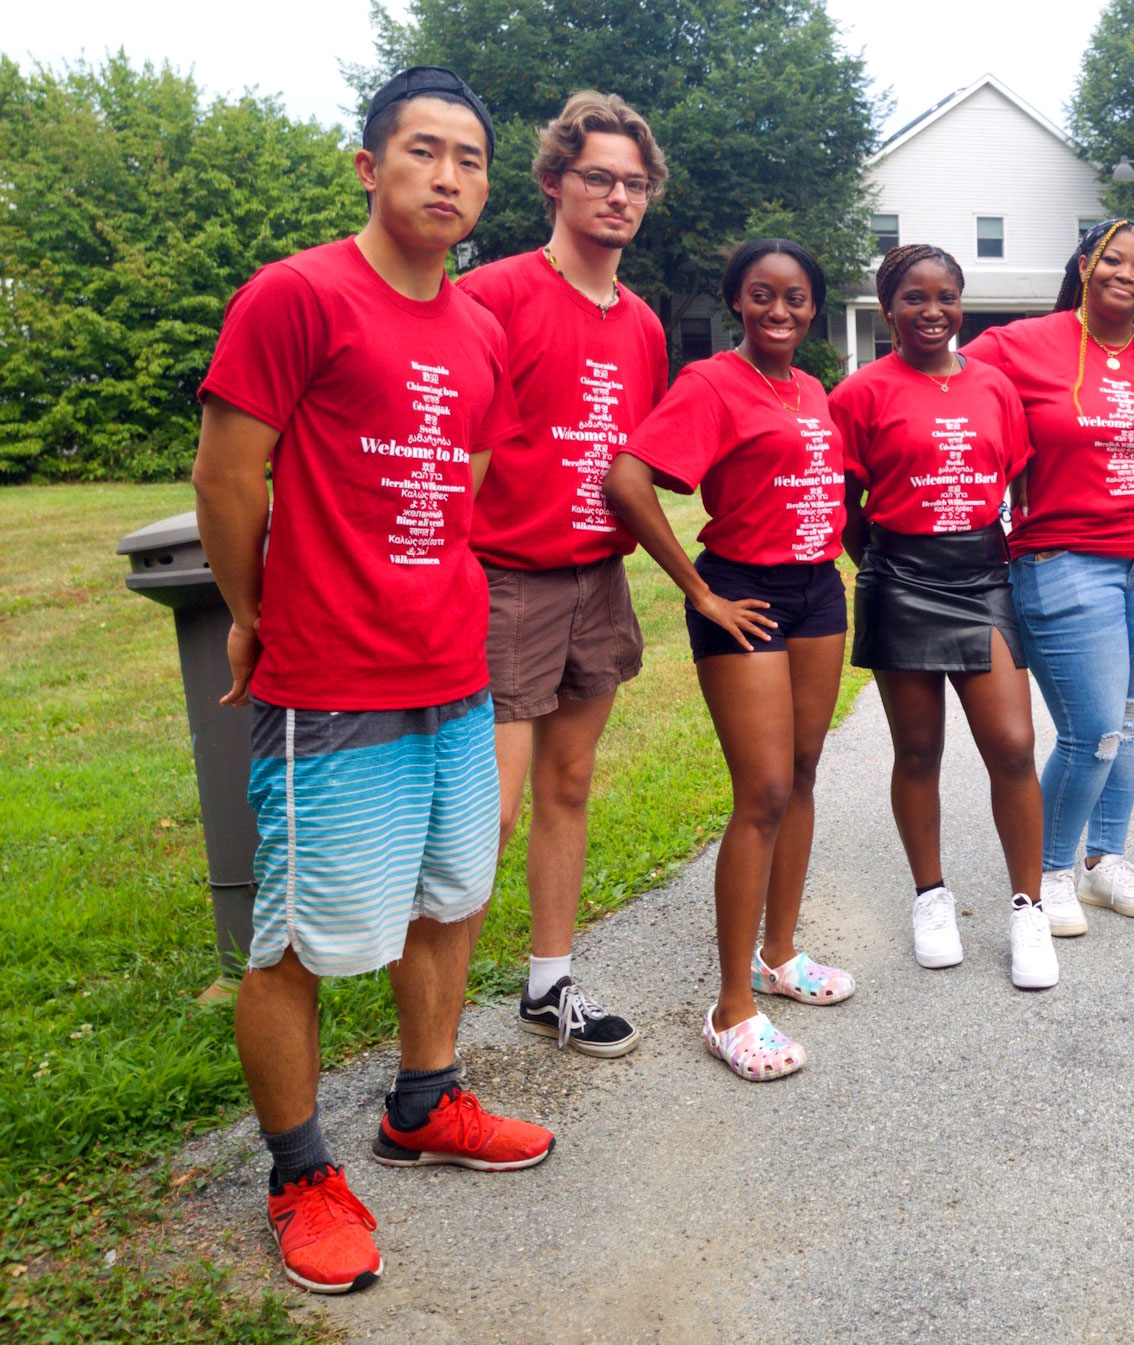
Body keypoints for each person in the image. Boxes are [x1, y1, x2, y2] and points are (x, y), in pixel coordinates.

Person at [192, 67, 554, 1297]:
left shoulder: (480, 329)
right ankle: (299, 1175)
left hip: (455, 670)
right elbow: (229, 480)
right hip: (333, 680)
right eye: (421, 151)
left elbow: (461, 486)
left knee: (449, 898)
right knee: (299, 939)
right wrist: (254, 614)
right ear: (369, 166)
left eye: (469, 157)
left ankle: (424, 1101)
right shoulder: (295, 296)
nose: (447, 175)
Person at [603, 238, 855, 1080]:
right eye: (761, 295)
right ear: (737, 302)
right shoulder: (711, 382)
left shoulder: (810, 387)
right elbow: (628, 480)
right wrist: (701, 593)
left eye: (795, 297)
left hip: (819, 591)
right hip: (744, 592)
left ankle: (779, 957)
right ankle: (729, 1009)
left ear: (813, 307)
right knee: (765, 791)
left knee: (807, 770)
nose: (778, 310)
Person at [458, 91, 670, 1057]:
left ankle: (551, 984)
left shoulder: (645, 324)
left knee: (571, 783)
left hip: (599, 578)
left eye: (633, 183)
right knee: (488, 814)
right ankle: (435, 1045)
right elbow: (449, 441)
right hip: (507, 579)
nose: (617, 196)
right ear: (554, 182)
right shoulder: (494, 295)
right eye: (599, 177)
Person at [961, 219, 1134, 930]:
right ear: (1083, 263)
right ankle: (1050, 868)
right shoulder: (1017, 345)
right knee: (1093, 727)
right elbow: (949, 391)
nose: (1126, 275)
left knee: (1130, 718)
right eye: (1112, 259)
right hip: (1063, 558)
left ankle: (1106, 860)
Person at [830, 244, 1056, 989]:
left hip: (983, 574)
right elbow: (845, 506)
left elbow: (1015, 480)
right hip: (900, 577)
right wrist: (885, 565)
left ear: (962, 303)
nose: (933, 312)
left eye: (947, 297)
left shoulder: (995, 386)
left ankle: (1028, 908)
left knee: (1013, 744)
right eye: (915, 298)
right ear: (889, 307)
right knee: (919, 750)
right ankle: (931, 895)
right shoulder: (860, 392)